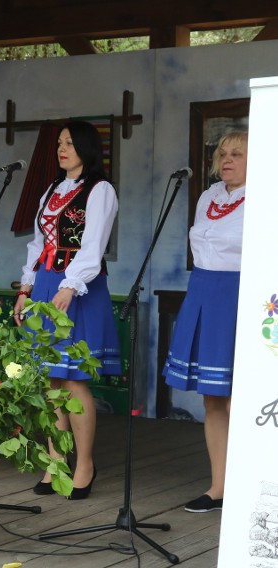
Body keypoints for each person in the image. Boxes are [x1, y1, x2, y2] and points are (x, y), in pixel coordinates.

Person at [14, 120, 121, 500]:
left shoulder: (100, 190)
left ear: (87, 148)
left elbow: (93, 246)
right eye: (59, 143)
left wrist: (70, 285)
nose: (62, 149)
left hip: (79, 286)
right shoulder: (51, 190)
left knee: (74, 378)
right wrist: (26, 288)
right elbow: (37, 244)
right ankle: (55, 461)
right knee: (49, 380)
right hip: (46, 282)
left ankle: (85, 464)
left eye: (70, 143)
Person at [163, 130, 247, 513]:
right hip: (203, 289)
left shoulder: (266, 196)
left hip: (240, 295)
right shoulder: (208, 197)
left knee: (239, 399)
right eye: (222, 153)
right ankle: (220, 487)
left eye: (237, 154)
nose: (226, 160)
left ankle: (251, 484)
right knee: (213, 397)